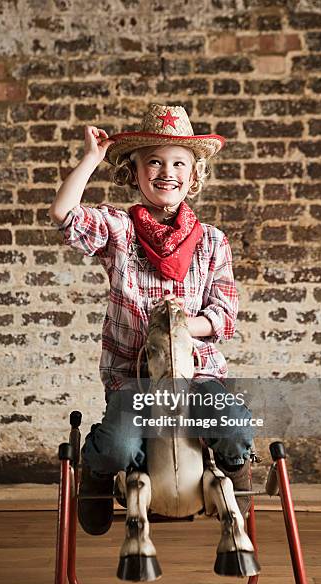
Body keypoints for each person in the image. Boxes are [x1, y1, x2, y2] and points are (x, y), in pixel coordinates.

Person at [49, 103, 254, 535]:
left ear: (194, 176)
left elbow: (224, 313)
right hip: (134, 378)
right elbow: (64, 216)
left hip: (195, 374)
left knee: (234, 425)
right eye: (154, 161)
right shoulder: (120, 230)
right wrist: (91, 159)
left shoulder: (212, 242)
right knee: (118, 445)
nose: (167, 171)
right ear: (135, 172)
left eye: (179, 162)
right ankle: (99, 477)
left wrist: (180, 329)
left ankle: (236, 476)